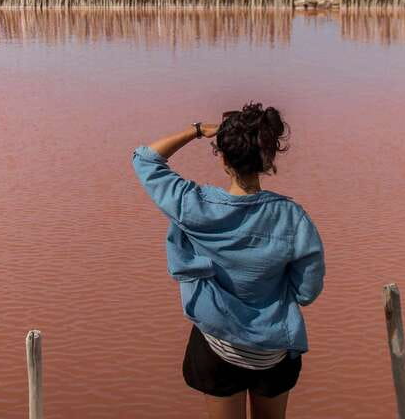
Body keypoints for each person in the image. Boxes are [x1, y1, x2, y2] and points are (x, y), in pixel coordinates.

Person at [132, 102, 325, 419]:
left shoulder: (193, 206)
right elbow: (307, 291)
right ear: (268, 157)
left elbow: (145, 159)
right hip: (273, 352)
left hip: (217, 346)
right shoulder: (292, 218)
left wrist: (197, 131)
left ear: (223, 158)